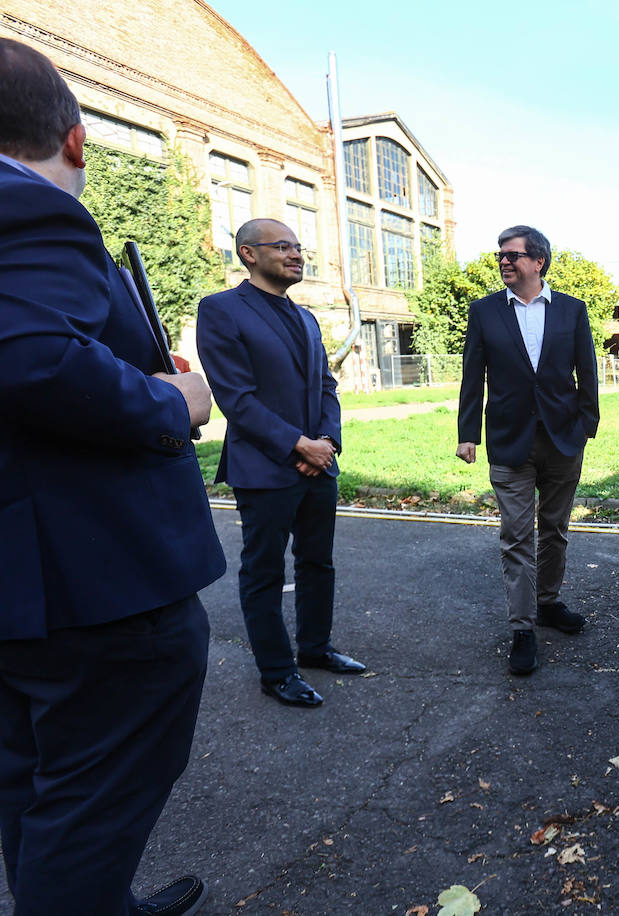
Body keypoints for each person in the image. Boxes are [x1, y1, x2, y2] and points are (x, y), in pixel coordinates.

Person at [0, 38, 225, 915]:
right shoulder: (32, 207)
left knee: (32, 780)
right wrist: (173, 399)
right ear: (78, 140)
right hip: (92, 587)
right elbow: (31, 362)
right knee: (95, 796)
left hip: (20, 588)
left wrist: (125, 368)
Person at [197, 218, 365, 709]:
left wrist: (327, 442)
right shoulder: (222, 310)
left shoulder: (308, 318)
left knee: (318, 563)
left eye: (299, 247)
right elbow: (237, 397)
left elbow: (326, 387)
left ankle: (314, 649)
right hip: (266, 468)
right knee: (264, 572)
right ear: (249, 253)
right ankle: (276, 672)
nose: (297, 254)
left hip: (319, 464)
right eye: (283, 247)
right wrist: (298, 445)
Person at [457, 225, 599, 676]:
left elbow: (586, 369)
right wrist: (467, 434)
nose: (503, 261)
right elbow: (472, 375)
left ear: (538, 261)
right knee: (516, 536)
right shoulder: (484, 312)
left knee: (554, 529)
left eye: (512, 255)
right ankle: (523, 628)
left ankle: (548, 602)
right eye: (500, 255)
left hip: (562, 439)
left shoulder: (572, 311)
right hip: (508, 440)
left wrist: (588, 423)